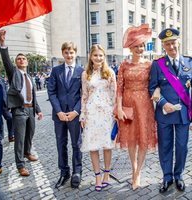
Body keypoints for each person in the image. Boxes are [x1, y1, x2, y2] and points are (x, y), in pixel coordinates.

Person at [149, 28, 192, 193]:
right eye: (167, 44)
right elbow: (152, 88)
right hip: (165, 114)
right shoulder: (157, 65)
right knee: (165, 146)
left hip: (182, 114)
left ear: (178, 42)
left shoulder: (189, 63)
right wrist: (162, 103)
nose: (171, 46)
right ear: (163, 46)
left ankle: (179, 176)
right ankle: (167, 177)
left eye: (173, 42)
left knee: (182, 147)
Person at [116, 24, 157, 190]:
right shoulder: (123, 66)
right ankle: (133, 168)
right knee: (131, 139)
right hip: (127, 105)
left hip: (145, 106)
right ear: (131, 48)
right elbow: (119, 88)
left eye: (142, 46)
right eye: (137, 46)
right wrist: (118, 108)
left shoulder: (150, 65)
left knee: (143, 140)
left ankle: (138, 172)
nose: (140, 49)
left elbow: (155, 84)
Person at [0, 29, 43, 177]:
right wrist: (3, 43)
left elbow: (33, 96)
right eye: (19, 59)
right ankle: (20, 165)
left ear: (27, 62)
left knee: (30, 134)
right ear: (16, 63)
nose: (21, 60)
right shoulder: (14, 73)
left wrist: (38, 110)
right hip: (19, 110)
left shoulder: (29, 77)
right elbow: (6, 61)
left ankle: (27, 153)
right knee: (19, 138)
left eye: (23, 58)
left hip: (30, 110)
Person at [80, 44, 116, 191]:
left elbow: (114, 94)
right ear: (90, 56)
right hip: (91, 113)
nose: (98, 58)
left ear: (104, 56)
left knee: (107, 145)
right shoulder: (85, 74)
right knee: (93, 146)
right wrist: (82, 114)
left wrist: (115, 112)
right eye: (95, 55)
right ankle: (97, 177)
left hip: (107, 113)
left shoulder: (110, 72)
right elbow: (84, 95)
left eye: (101, 55)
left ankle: (107, 174)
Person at [48, 42, 83, 189]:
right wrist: (59, 112)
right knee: (61, 144)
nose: (69, 55)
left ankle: (77, 171)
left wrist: (76, 111)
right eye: (66, 53)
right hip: (60, 116)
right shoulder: (56, 71)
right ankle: (64, 172)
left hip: (74, 115)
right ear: (63, 54)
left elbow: (85, 94)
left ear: (75, 53)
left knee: (76, 144)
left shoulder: (82, 71)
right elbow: (52, 92)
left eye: (71, 53)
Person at [0, 65, 15, 142]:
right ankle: (0, 137)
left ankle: (11, 135)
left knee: (10, 118)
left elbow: (5, 91)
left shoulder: (1, 79)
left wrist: (8, 103)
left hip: (3, 104)